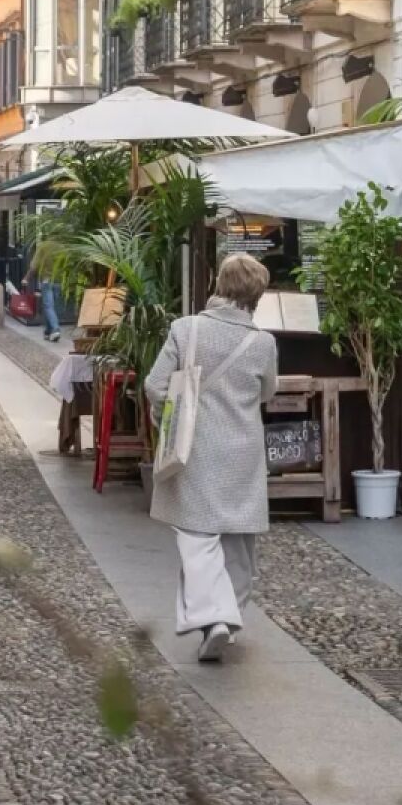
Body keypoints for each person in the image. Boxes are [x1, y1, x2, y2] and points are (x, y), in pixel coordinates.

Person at [143, 254, 280, 663]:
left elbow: (154, 385)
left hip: (195, 448)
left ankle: (214, 618)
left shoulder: (186, 330)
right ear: (257, 292)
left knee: (197, 536)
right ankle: (232, 616)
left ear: (219, 283)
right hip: (242, 449)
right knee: (238, 538)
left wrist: (171, 411)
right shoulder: (263, 342)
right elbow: (268, 392)